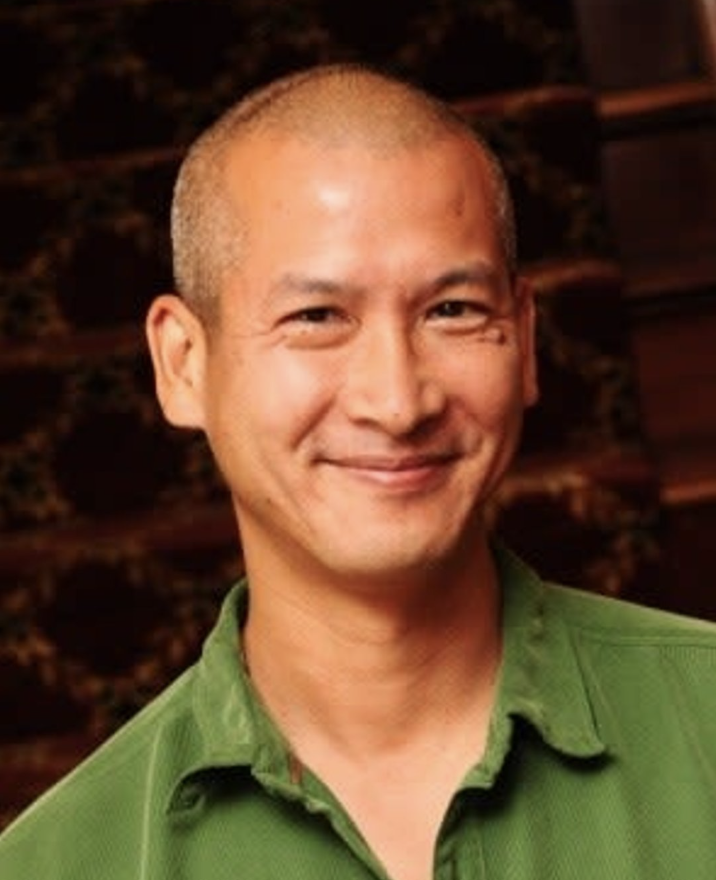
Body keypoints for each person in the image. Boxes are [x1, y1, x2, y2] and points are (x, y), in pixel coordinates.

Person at [0, 63, 714, 880]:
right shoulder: (58, 863)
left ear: (523, 340)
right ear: (183, 362)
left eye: (452, 310)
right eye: (316, 317)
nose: (398, 400)